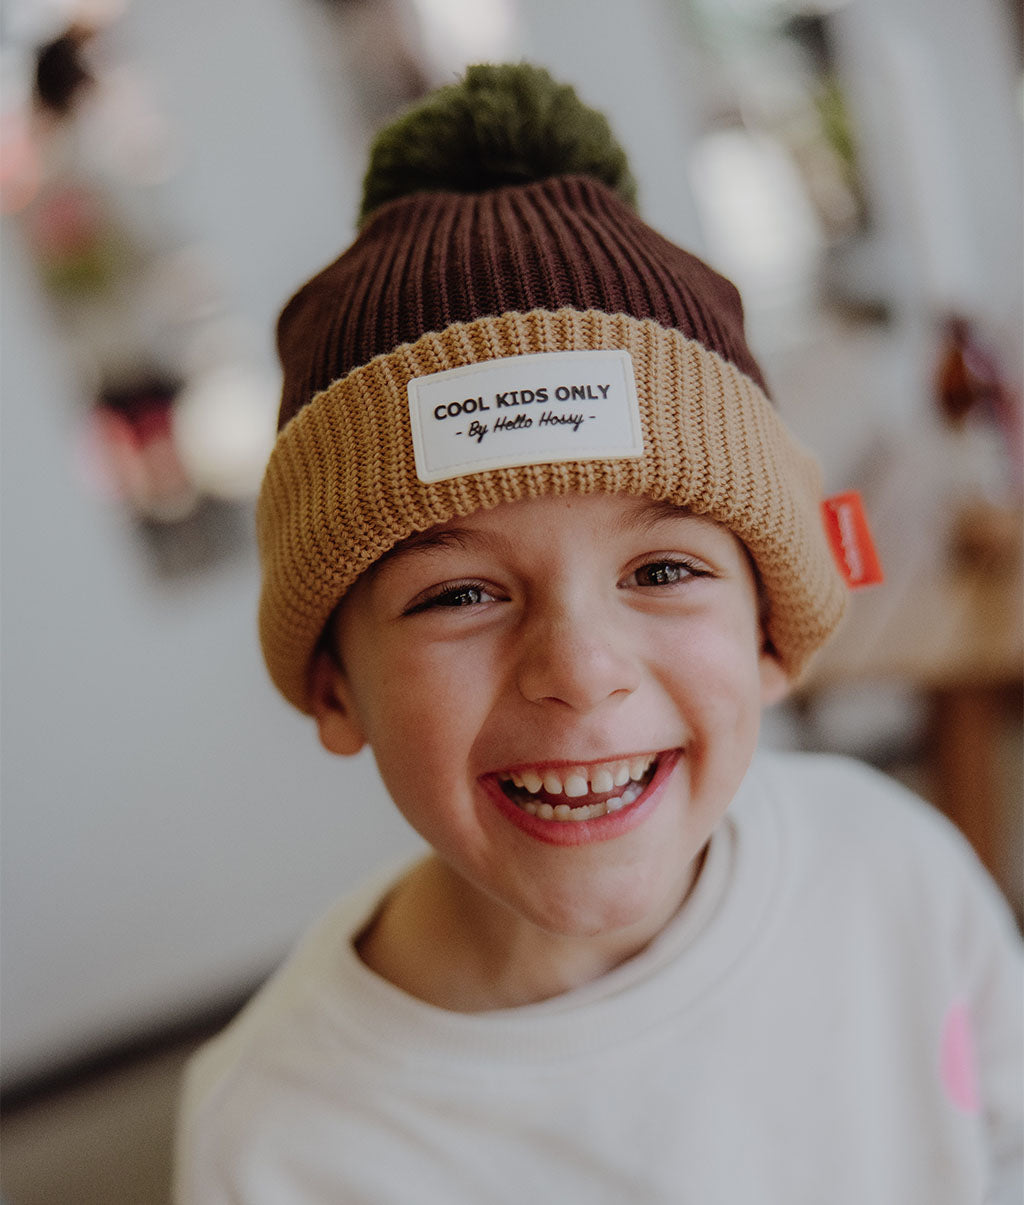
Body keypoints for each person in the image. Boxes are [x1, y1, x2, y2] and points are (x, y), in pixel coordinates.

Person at [175, 64, 1022, 1203]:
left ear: (770, 629)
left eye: (663, 569)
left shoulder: (899, 880)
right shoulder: (278, 1137)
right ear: (333, 682)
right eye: (459, 593)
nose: (578, 671)